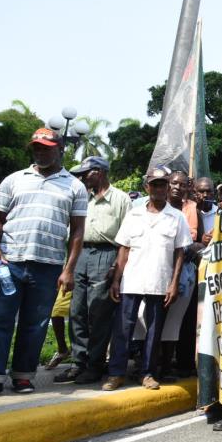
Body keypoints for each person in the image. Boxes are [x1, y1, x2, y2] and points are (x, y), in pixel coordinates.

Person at [0, 128, 87, 394]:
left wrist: (68, 270)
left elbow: (78, 231)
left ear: (60, 149)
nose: (40, 151)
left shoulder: (75, 186)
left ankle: (23, 376)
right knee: (0, 320)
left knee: (34, 325)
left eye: (46, 147)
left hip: (48, 267)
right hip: (10, 263)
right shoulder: (13, 180)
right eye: (37, 147)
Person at [102, 166, 191, 391]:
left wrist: (173, 283)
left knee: (154, 330)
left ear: (167, 187)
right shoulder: (134, 214)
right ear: (147, 187)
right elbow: (123, 248)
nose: (159, 189)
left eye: (163, 184)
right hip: (131, 279)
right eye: (155, 184)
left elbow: (180, 252)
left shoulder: (177, 217)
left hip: (160, 281)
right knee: (123, 328)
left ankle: (148, 373)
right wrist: (116, 280)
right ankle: (116, 373)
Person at [54, 157, 130, 384]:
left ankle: (95, 364)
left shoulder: (120, 199)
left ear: (99, 172)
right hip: (80, 254)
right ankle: (79, 362)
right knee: (76, 311)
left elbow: (127, 237)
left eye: (86, 172)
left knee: (98, 313)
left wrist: (117, 266)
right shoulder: (80, 196)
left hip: (106, 254)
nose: (82, 176)